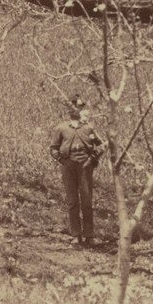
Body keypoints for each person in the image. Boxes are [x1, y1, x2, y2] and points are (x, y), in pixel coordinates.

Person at [49, 99, 104, 244]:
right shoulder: (61, 128)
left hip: (85, 166)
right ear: (68, 110)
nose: (75, 110)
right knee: (72, 201)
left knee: (87, 201)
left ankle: (89, 235)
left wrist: (91, 159)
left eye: (78, 107)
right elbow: (53, 148)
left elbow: (101, 146)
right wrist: (62, 160)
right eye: (72, 107)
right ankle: (76, 234)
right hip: (68, 166)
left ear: (81, 110)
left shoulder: (88, 128)